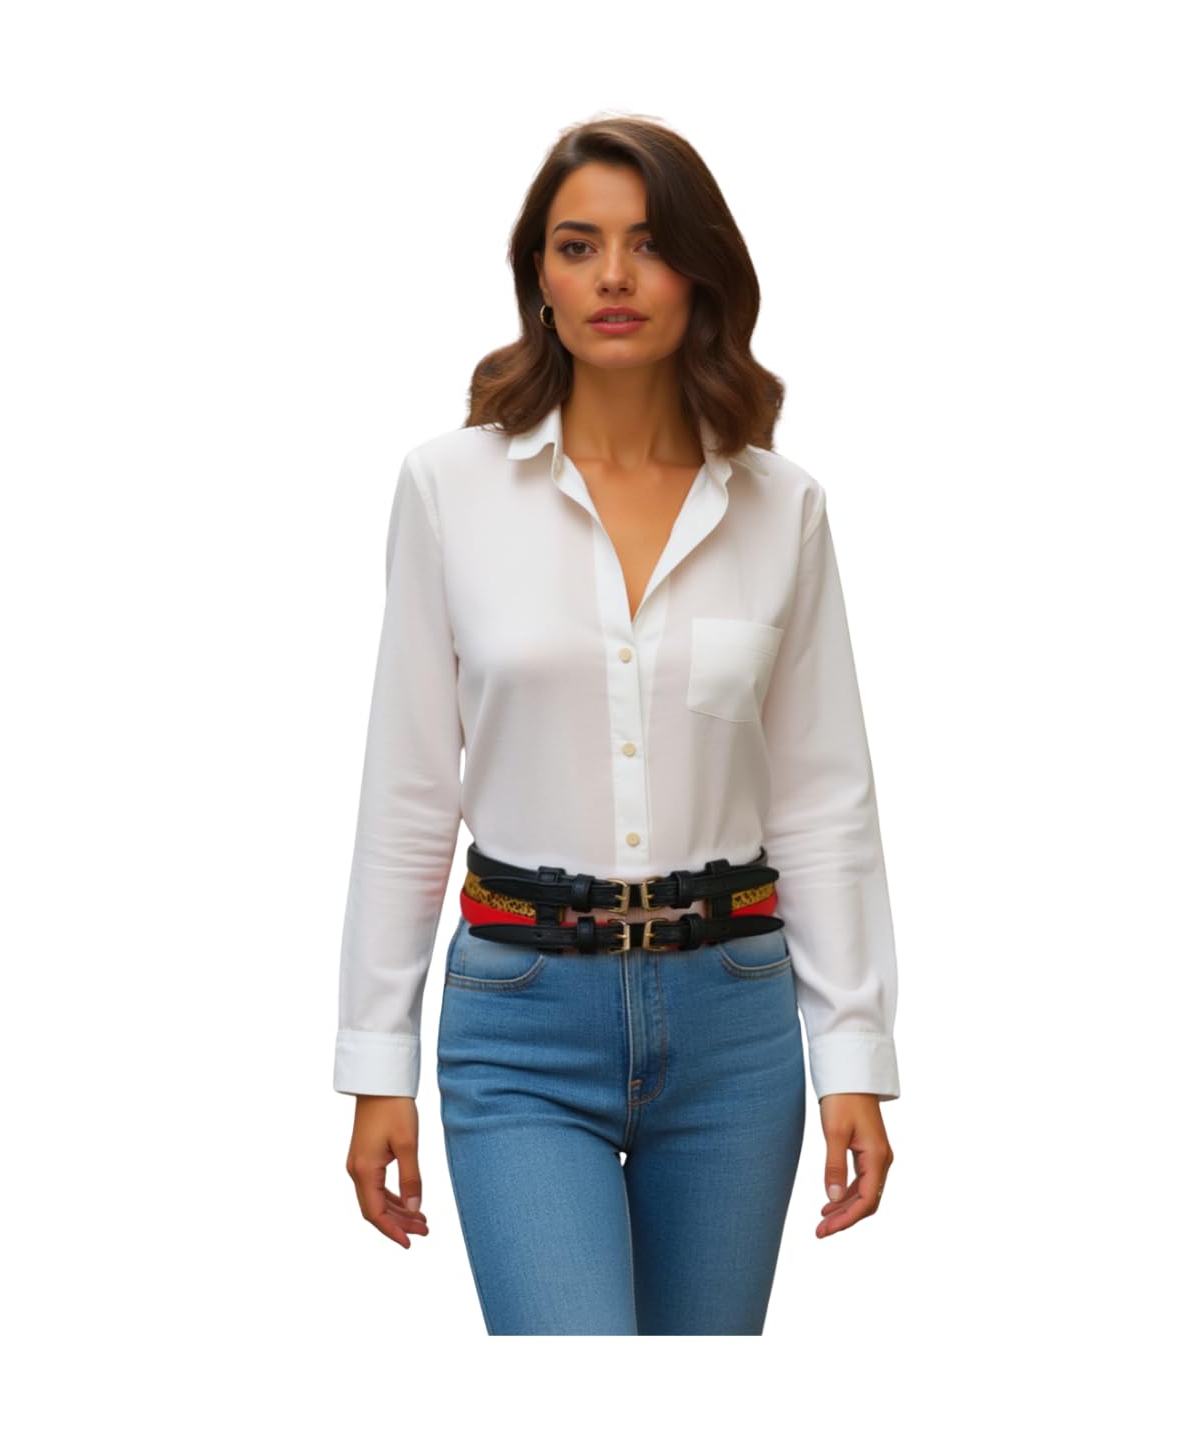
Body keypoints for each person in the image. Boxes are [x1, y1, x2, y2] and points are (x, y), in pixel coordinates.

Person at [334, 115, 901, 1335]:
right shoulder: (449, 489)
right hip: (520, 1021)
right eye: (578, 245)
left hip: (736, 1024)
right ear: (538, 277)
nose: (614, 277)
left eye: (649, 244)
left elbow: (822, 796)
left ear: (702, 271)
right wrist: (376, 1061)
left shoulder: (782, 508)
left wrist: (852, 1051)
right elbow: (410, 790)